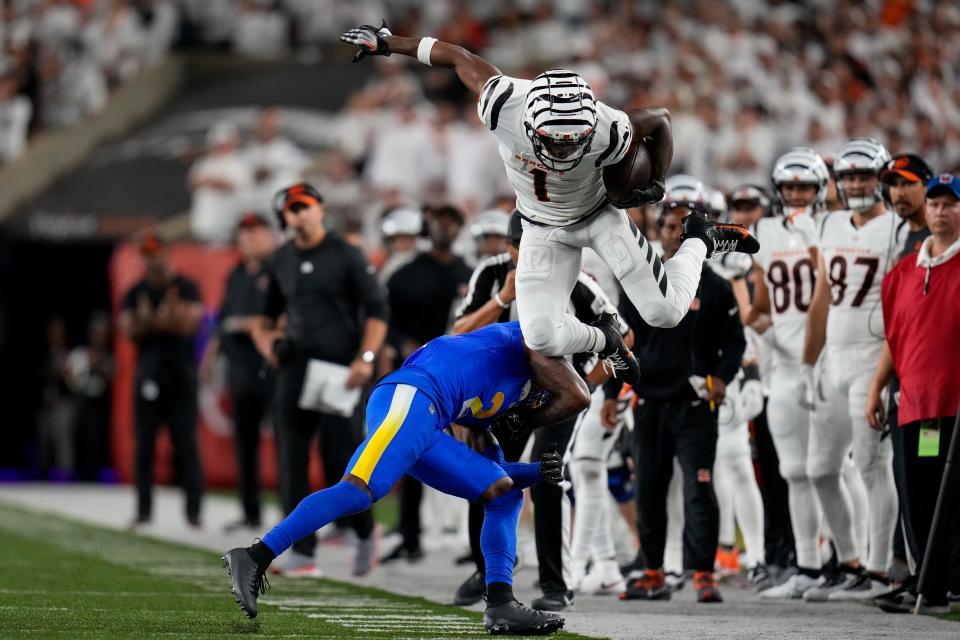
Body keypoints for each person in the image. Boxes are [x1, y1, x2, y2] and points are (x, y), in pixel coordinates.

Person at [340, 23, 759, 385]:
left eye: (573, 140)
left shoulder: (607, 124)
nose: (563, 150)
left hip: (599, 216)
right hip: (540, 225)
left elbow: (661, 120)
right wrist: (389, 42)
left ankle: (700, 239)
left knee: (665, 313)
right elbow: (456, 56)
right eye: (554, 141)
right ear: (531, 123)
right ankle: (606, 339)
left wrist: (658, 182)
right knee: (539, 336)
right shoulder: (504, 103)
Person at [223, 321, 590, 636]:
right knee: (357, 491)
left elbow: (496, 477)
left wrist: (537, 471)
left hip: (425, 418)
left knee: (503, 496)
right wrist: (606, 337)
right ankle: (255, 555)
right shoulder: (518, 340)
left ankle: (500, 603)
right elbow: (543, 332)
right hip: (410, 397)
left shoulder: (492, 401)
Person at [452, 210, 630, 611]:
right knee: (487, 473)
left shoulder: (576, 280)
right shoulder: (494, 274)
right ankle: (487, 569)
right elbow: (459, 333)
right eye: (522, 248)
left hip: (558, 394)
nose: (531, 256)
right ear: (512, 247)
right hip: (510, 393)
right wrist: (503, 298)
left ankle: (556, 582)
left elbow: (623, 334)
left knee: (547, 470)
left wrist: (588, 384)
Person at [251, 183, 387, 577]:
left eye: (304, 206)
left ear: (320, 208)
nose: (298, 215)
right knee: (291, 460)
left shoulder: (346, 254)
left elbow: (377, 309)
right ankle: (302, 552)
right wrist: (268, 345)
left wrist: (365, 358)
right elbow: (265, 319)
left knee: (341, 462)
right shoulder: (282, 259)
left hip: (339, 370)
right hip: (295, 368)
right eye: (291, 210)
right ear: (284, 218)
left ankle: (363, 531)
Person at [616, 195, 746, 604]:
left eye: (685, 227)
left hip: (694, 404)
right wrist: (609, 393)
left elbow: (736, 344)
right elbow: (620, 342)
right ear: (657, 230)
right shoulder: (639, 280)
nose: (676, 235)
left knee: (699, 488)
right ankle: (653, 569)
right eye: (670, 227)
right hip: (649, 401)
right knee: (651, 490)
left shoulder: (717, 287)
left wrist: (722, 379)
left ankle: (704, 572)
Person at [801, 138, 905, 601]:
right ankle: (850, 562)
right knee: (820, 467)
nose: (857, 184)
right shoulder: (831, 223)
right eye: (849, 177)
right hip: (834, 357)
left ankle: (880, 571)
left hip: (873, 354)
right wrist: (810, 360)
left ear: (881, 179)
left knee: (871, 463)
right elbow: (822, 294)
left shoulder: (899, 229)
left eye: (864, 175)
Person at [865, 174, 960, 614]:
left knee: (952, 498)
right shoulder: (903, 271)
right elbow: (895, 337)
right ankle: (927, 581)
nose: (942, 211)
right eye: (936, 204)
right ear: (927, 211)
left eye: (951, 204)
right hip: (913, 402)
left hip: (955, 403)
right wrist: (876, 387)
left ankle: (948, 583)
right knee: (916, 497)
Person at [743, 148, 829, 599]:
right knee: (794, 470)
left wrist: (810, 350)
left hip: (828, 363)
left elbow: (836, 295)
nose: (796, 195)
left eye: (805, 187)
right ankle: (808, 566)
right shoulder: (766, 231)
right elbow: (756, 309)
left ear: (820, 191)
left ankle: (848, 562)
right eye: (790, 187)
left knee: (832, 468)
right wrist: (780, 341)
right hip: (785, 370)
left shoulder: (830, 228)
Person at [381, 204, 473, 563]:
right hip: (417, 372)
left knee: (467, 450)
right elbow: (383, 319)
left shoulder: (470, 272)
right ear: (427, 226)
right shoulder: (405, 275)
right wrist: (400, 344)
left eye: (453, 223)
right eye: (439, 222)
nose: (446, 229)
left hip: (461, 376)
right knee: (409, 451)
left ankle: (465, 535)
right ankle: (410, 534)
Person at [119, 232, 204, 527]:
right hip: (149, 375)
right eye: (147, 253)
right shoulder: (134, 291)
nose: (153, 258)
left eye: (157, 252)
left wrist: (151, 319)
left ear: (168, 253)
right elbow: (130, 331)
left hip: (181, 375)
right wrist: (165, 317)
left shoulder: (187, 287)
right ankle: (144, 511)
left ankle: (193, 512)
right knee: (144, 445)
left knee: (186, 445)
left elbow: (187, 325)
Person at [203, 213, 278, 531]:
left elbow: (283, 319)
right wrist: (208, 360)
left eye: (256, 233)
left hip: (273, 367)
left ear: (269, 237)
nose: (249, 240)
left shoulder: (279, 272)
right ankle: (251, 512)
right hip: (241, 369)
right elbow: (222, 323)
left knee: (286, 443)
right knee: (245, 444)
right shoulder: (235, 275)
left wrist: (249, 324)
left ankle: (293, 514)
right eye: (244, 234)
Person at [188, 122, 253, 244]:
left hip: (228, 224)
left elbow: (233, 185)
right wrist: (210, 181)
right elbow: (193, 181)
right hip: (204, 222)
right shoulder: (204, 162)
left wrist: (210, 181)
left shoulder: (240, 162)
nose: (221, 146)